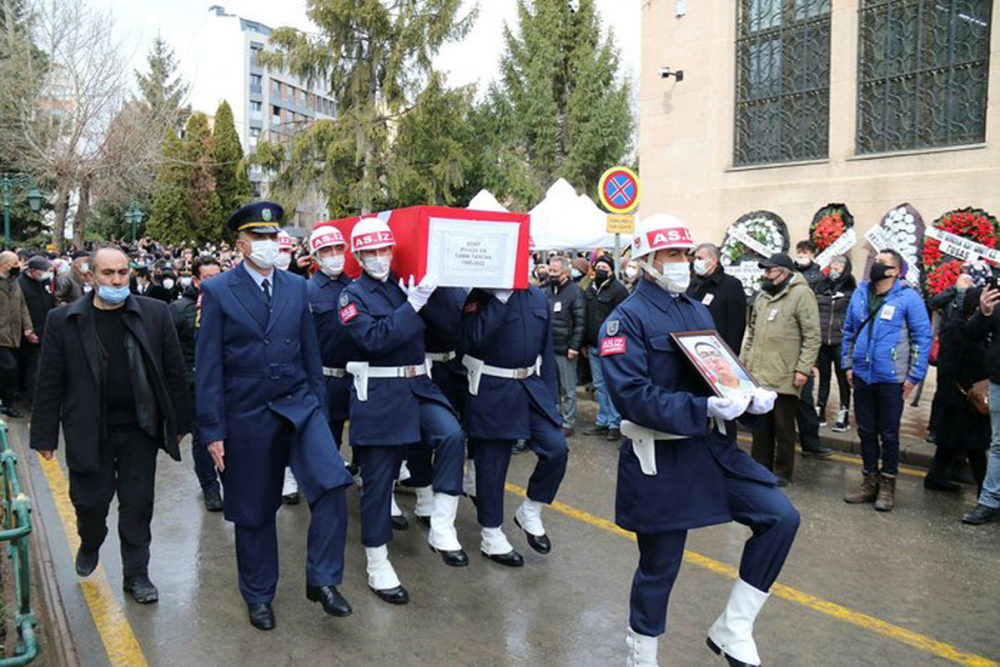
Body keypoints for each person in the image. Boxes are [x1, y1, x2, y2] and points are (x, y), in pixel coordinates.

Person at [600, 214, 798, 667]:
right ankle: (642, 654)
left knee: (780, 516)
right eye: (672, 255)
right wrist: (702, 409)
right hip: (661, 455)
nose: (682, 263)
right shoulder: (623, 320)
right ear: (647, 260)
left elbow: (716, 369)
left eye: (686, 254)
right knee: (660, 566)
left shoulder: (696, 310)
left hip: (711, 450)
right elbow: (632, 396)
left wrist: (747, 396)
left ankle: (734, 627)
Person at [195, 202, 354, 630]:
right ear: (241, 244)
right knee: (255, 509)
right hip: (247, 412)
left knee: (333, 484)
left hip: (299, 405)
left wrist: (318, 409)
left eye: (273, 236)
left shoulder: (295, 287)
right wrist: (212, 430)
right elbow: (208, 366)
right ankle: (259, 594)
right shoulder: (219, 290)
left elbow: (310, 351)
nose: (269, 244)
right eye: (260, 238)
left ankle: (322, 580)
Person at [30, 246, 190, 604]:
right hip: (88, 429)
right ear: (90, 275)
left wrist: (179, 421)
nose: (117, 280)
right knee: (89, 503)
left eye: (122, 272)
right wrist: (43, 433)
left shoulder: (155, 313)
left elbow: (174, 371)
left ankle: (137, 575)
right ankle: (90, 542)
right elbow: (50, 380)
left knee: (137, 505)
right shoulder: (64, 320)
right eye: (108, 273)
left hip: (139, 430)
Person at [338, 217, 468, 606]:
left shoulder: (401, 285)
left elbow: (442, 327)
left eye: (385, 250)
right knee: (379, 482)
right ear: (358, 256)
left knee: (451, 434)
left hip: (417, 384)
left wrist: (433, 294)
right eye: (372, 252)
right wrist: (412, 305)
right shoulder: (351, 297)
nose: (380, 258)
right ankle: (377, 561)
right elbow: (375, 339)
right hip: (380, 391)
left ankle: (441, 524)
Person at [461, 275, 569, 568]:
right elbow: (473, 339)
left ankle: (530, 509)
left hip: (530, 386)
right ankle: (491, 534)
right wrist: (498, 300)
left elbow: (545, 352)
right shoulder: (480, 294)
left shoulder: (536, 296)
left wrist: (551, 401)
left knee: (556, 448)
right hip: (493, 387)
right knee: (492, 465)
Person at [842, 249, 932, 512]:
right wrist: (849, 364)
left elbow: (922, 338)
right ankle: (869, 479)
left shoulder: (908, 297)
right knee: (866, 431)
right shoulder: (860, 293)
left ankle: (887, 484)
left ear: (895, 270)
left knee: (889, 433)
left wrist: (914, 375)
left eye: (883, 262)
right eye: (875, 260)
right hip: (862, 375)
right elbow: (848, 331)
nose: (876, 264)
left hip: (892, 378)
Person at [743, 253, 821, 486]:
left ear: (784, 273)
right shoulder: (763, 296)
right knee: (761, 426)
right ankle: (759, 467)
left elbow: (812, 335)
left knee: (784, 426)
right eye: (764, 271)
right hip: (760, 373)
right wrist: (743, 365)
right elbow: (752, 333)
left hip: (786, 373)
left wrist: (803, 369)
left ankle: (783, 471)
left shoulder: (801, 294)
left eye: (770, 270)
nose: (765, 275)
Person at [924, 269, 989, 495]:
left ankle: (936, 477)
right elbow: (948, 366)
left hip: (963, 399)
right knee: (976, 448)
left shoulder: (975, 330)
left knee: (950, 443)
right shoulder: (958, 330)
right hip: (960, 398)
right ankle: (986, 492)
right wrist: (949, 395)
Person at [168, 255, 223, 512]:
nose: (216, 282)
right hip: (193, 385)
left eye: (219, 276)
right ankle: (209, 487)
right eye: (209, 278)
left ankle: (228, 480)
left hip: (225, 382)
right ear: (196, 280)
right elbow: (167, 350)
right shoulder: (179, 309)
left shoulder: (228, 303)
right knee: (203, 437)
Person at [958, 282, 1000, 524]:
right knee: (997, 446)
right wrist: (983, 312)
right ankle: (989, 501)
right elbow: (972, 333)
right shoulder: (995, 297)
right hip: (998, 382)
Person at [583, 254, 629, 440]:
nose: (601, 269)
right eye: (598, 266)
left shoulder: (618, 290)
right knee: (600, 385)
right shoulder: (590, 289)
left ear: (611, 270)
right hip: (593, 345)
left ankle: (614, 423)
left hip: (610, 346)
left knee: (611, 386)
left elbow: (622, 319)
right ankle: (602, 421)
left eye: (604, 267)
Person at [814, 255, 856, 432]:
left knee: (842, 379)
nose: (835, 267)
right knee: (823, 378)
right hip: (823, 339)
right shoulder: (821, 284)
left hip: (840, 341)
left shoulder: (851, 286)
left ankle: (843, 414)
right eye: (833, 263)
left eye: (840, 264)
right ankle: (820, 411)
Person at [547, 255, 585, 436]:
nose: (551, 274)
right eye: (550, 270)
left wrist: (574, 346)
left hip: (566, 348)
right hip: (549, 347)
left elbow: (580, 322)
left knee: (568, 388)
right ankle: (556, 418)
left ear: (565, 272)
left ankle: (568, 423)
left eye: (555, 271)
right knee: (553, 387)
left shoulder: (575, 292)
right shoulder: (547, 291)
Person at [687, 243, 747, 354]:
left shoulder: (731, 285)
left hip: (716, 350)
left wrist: (731, 355)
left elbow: (736, 327)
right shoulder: (692, 284)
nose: (696, 262)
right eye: (695, 258)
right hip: (692, 347)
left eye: (700, 258)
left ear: (713, 261)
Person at [17, 255, 54, 406]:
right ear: (32, 270)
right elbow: (19, 310)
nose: (46, 273)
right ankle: (35, 401)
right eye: (42, 270)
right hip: (29, 332)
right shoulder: (20, 284)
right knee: (34, 368)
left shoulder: (45, 282)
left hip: (47, 329)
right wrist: (28, 330)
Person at [0, 252, 33, 418]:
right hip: (2, 335)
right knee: (9, 367)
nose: (18, 266)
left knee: (12, 368)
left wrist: (28, 327)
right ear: (4, 264)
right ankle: (7, 403)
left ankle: (6, 400)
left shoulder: (14, 282)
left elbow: (22, 306)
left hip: (14, 334)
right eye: (14, 263)